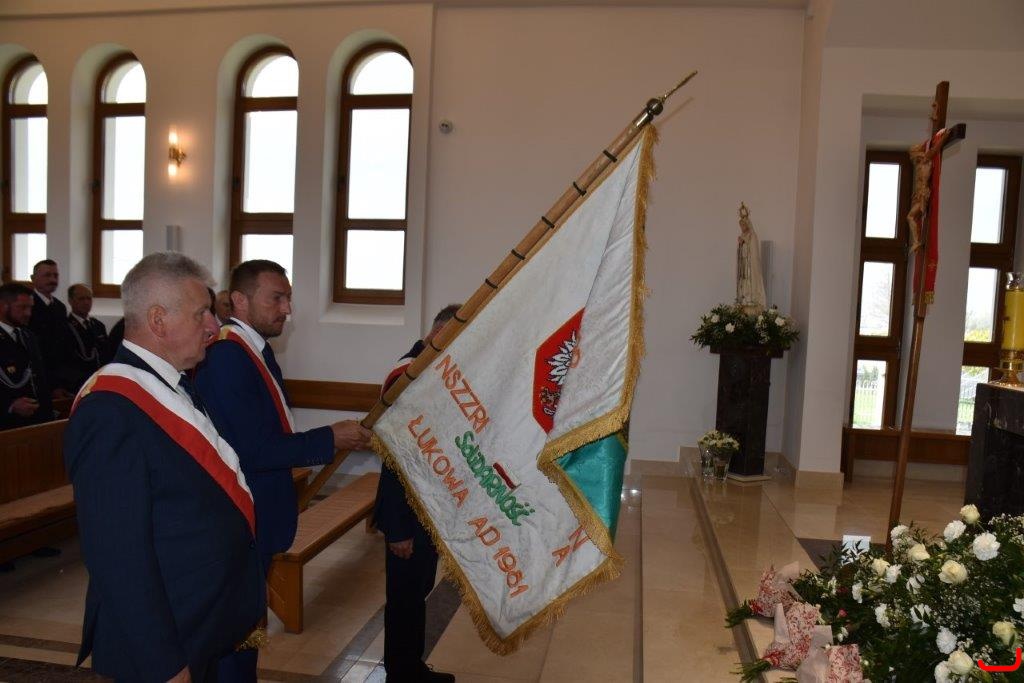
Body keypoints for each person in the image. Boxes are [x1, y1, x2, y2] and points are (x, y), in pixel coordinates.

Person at [64, 252, 264, 682]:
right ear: (158, 320)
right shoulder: (110, 411)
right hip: (166, 640)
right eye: (201, 313)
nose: (214, 326)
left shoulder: (173, 384)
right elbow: (119, 557)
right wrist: (164, 664)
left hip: (199, 619)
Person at [194, 259, 372, 681]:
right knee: (235, 634)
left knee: (248, 625)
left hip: (261, 511)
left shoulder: (254, 350)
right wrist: (329, 438)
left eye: (288, 298)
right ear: (240, 300)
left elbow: (270, 430)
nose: (287, 309)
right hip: (242, 515)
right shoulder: (226, 356)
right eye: (276, 298)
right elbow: (251, 449)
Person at [374, 304, 460, 683]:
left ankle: (411, 666)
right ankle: (401, 672)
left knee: (417, 590)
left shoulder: (429, 369)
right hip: (406, 514)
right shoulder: (406, 376)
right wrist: (398, 529)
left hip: (426, 508)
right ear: (438, 333)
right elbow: (396, 460)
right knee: (404, 596)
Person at [0, 283, 54, 430]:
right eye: (22, 307)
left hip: (36, 420)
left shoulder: (28, 336)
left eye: (30, 307)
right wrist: (10, 406)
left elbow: (39, 378)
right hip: (7, 426)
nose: (28, 313)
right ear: (3, 306)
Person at [56, 284, 111, 392]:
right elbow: (62, 360)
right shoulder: (64, 327)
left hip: (100, 382)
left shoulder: (98, 326)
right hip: (76, 384)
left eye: (89, 298)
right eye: (81, 299)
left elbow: (106, 355)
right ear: (70, 301)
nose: (86, 302)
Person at [28, 259, 71, 394]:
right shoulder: (28, 306)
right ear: (33, 278)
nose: (52, 280)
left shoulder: (60, 307)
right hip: (36, 374)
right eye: (47, 275)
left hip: (59, 374)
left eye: (55, 275)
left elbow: (63, 345)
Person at [736, 202, 767, 314]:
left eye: (743, 225)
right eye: (741, 226)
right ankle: (744, 298)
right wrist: (740, 244)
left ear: (747, 224)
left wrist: (745, 241)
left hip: (750, 265)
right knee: (743, 282)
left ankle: (751, 298)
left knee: (750, 282)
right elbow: (741, 252)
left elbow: (753, 251)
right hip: (744, 264)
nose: (742, 227)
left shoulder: (752, 236)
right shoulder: (742, 236)